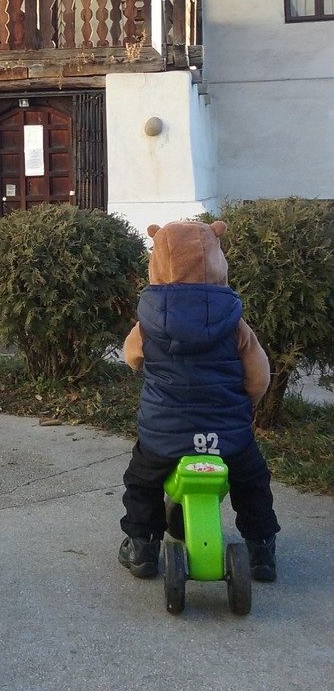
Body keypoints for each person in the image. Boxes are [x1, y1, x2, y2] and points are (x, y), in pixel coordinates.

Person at [119, 220, 280, 582]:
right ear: (215, 257)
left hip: (165, 433)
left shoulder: (149, 320)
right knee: (252, 480)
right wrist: (245, 404)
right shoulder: (233, 320)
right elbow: (258, 377)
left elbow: (132, 358)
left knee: (142, 480)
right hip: (227, 434)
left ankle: (142, 545)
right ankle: (261, 548)